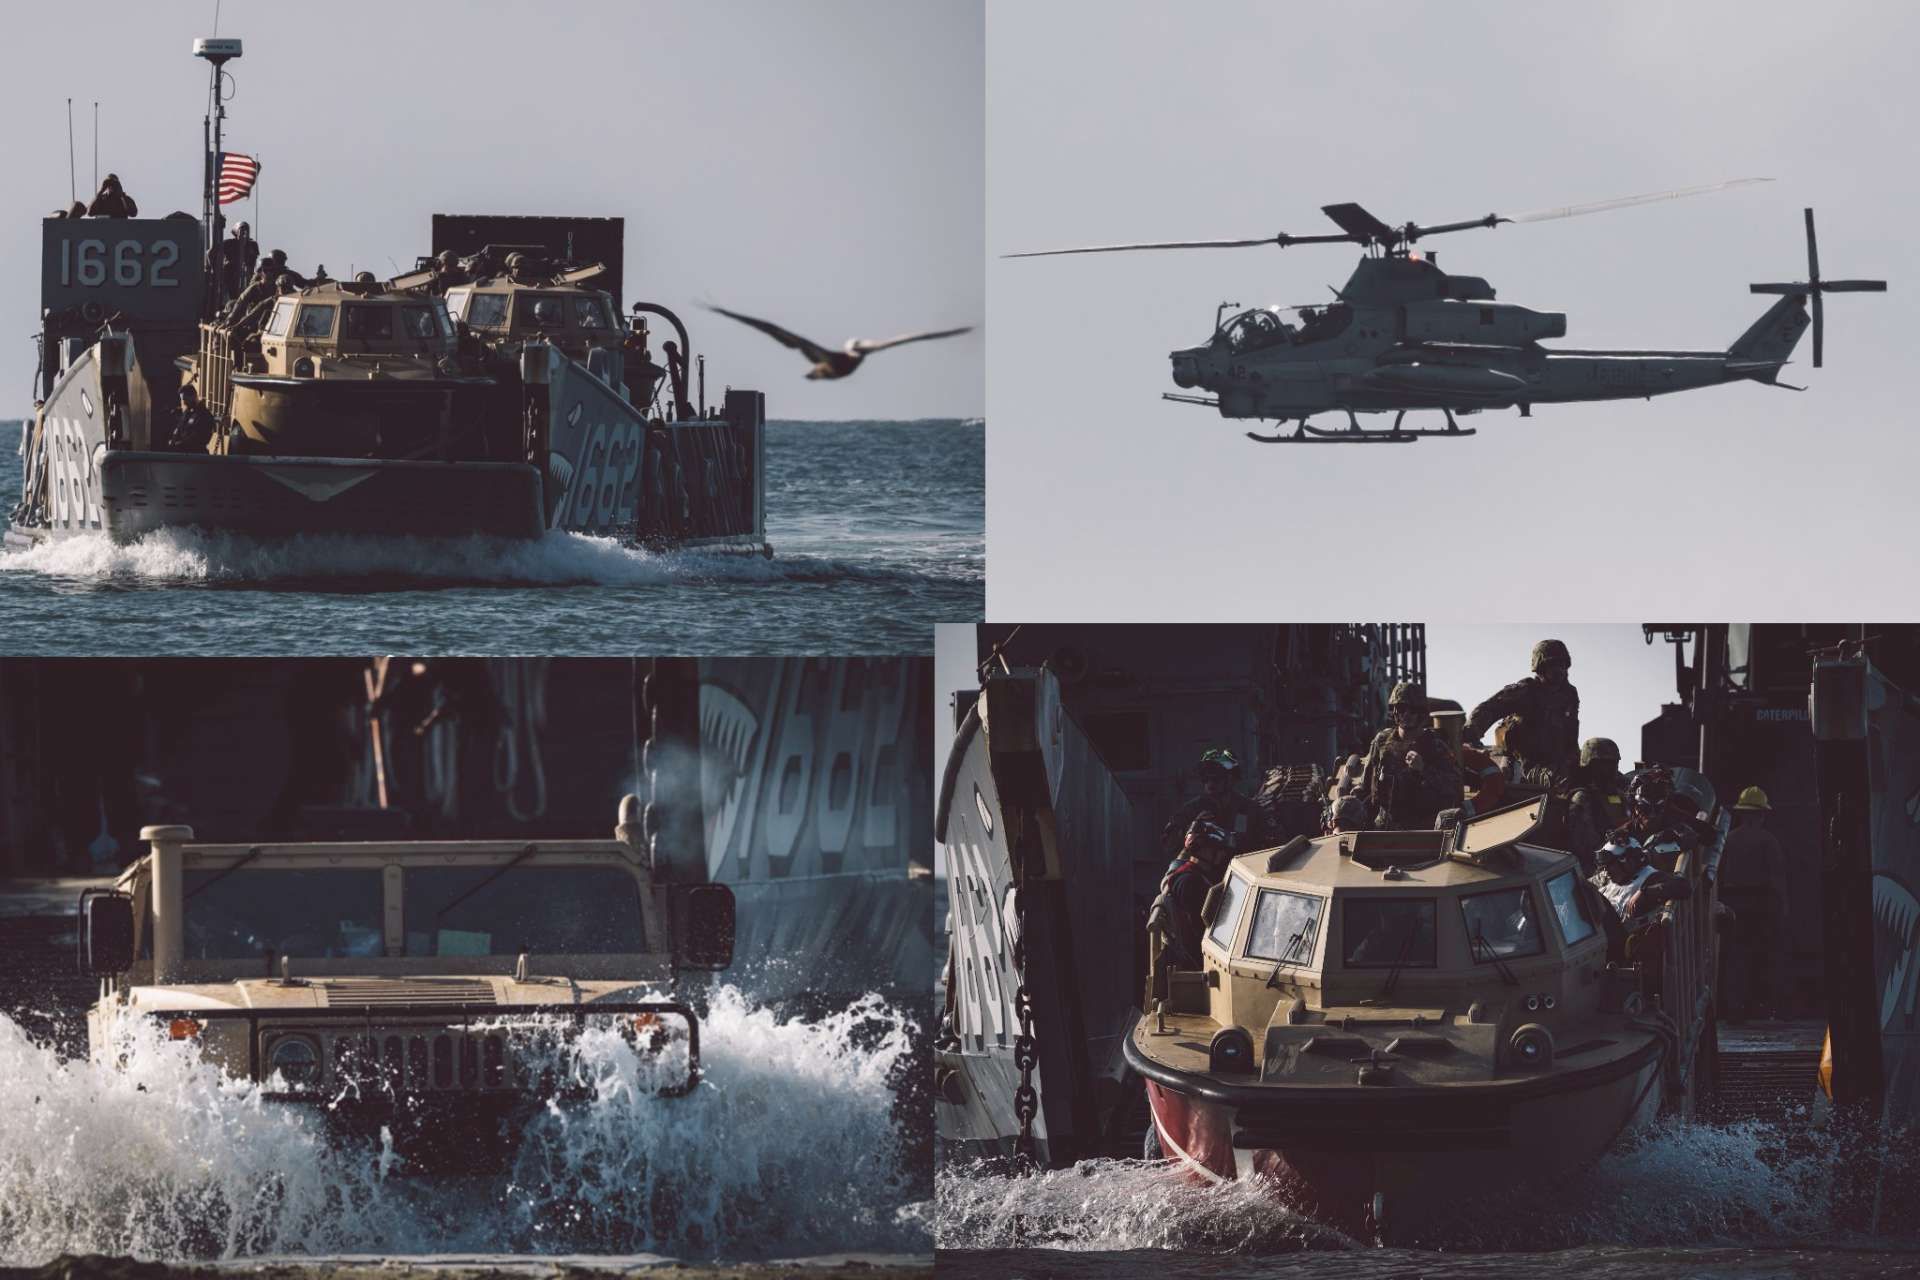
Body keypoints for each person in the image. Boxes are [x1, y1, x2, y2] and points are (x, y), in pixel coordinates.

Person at [1463, 639, 1581, 787]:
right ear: (1541, 667)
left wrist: (1574, 759)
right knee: (1563, 779)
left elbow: (1572, 731)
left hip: (1559, 762)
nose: (1559, 670)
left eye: (1562, 665)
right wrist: (1469, 732)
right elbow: (1490, 708)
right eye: (1553, 665)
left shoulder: (1569, 695)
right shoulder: (1526, 691)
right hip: (1528, 766)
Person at [1717, 785, 1788, 1020]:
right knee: (1764, 959)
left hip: (1733, 906)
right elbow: (1777, 880)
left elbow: (1717, 877)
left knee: (1735, 959)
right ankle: (1764, 1009)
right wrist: (1781, 911)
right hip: (1763, 907)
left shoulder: (1728, 841)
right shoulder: (1769, 841)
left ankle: (1734, 1009)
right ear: (1761, 814)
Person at [1358, 683, 1463, 830]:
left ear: (1421, 713)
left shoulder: (1435, 745)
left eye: (1413, 710)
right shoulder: (1381, 741)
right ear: (1394, 711)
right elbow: (1366, 784)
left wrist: (1423, 769)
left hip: (1422, 830)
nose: (1406, 714)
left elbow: (1454, 790)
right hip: (1383, 828)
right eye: (1401, 709)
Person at [1146, 818, 1234, 970]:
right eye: (1217, 849)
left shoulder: (1190, 874)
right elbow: (1201, 930)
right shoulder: (1190, 883)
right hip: (1199, 964)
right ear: (1203, 849)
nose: (1221, 855)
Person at [1162, 747, 1251, 854]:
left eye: (1216, 777)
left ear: (1230, 779)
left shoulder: (1246, 808)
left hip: (1235, 865)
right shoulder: (1193, 808)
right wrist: (1193, 826)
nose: (1210, 783)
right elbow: (1168, 842)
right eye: (1206, 778)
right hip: (1201, 866)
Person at [1566, 737, 1630, 875]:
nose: (1612, 769)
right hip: (1596, 869)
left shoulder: (1619, 794)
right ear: (1590, 766)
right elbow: (1586, 848)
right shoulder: (1582, 799)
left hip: (1623, 861)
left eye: (1614, 763)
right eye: (1605, 764)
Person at [166, 385, 215, 453]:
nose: (184, 403)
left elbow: (200, 437)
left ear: (193, 396)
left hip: (196, 455)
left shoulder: (204, 414)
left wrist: (181, 444)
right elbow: (179, 427)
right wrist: (173, 440)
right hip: (182, 453)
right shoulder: (187, 412)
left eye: (185, 399)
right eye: (182, 400)